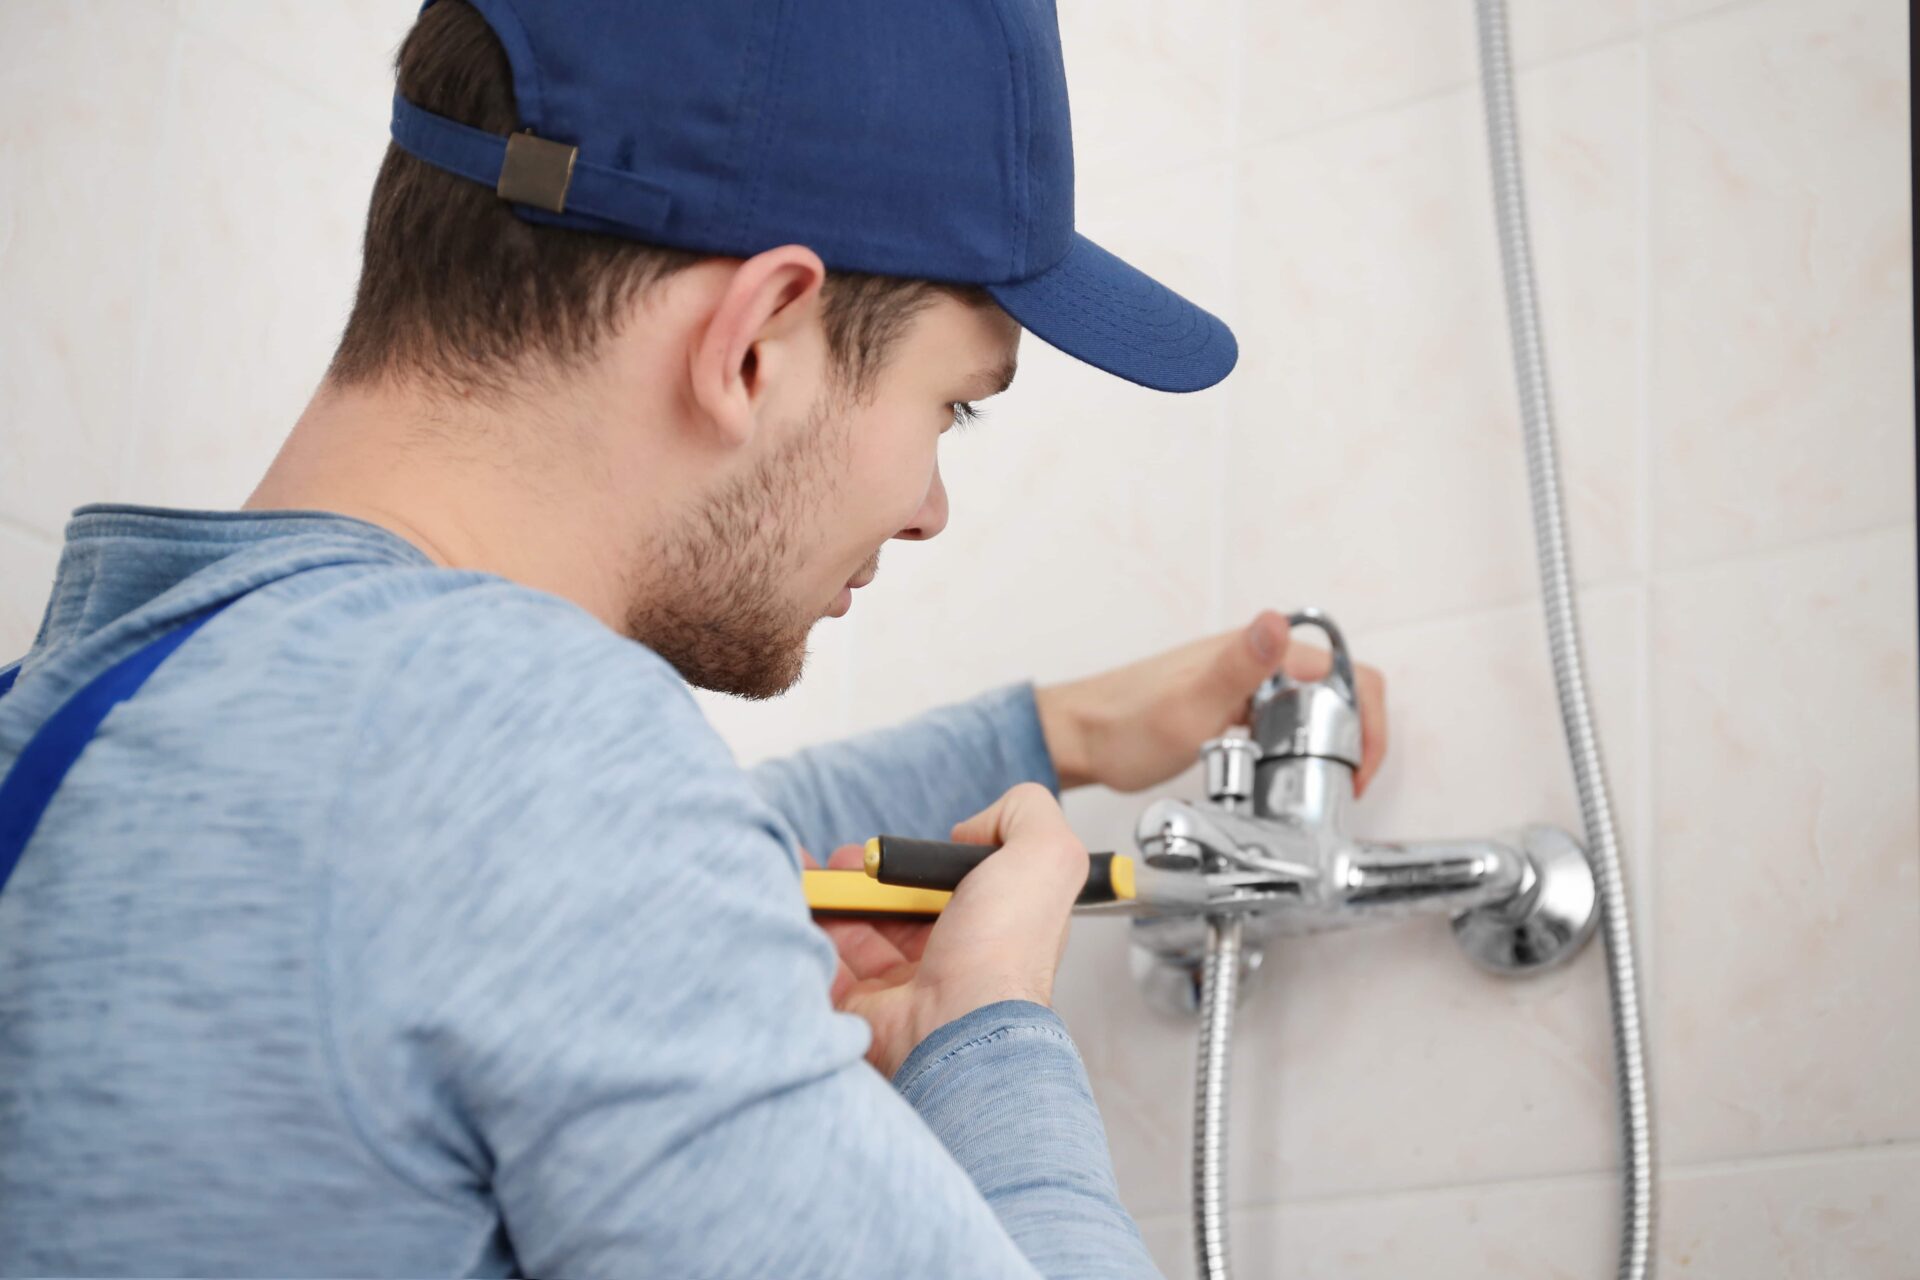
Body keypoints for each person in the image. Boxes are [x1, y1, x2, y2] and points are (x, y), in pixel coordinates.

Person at [0, 1, 1387, 1276]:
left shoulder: (97, 697)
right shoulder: (533, 756)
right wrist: (990, 1038)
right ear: (758, 343)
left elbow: (554, 867)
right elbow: (561, 835)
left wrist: (1063, 734)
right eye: (953, 408)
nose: (930, 508)